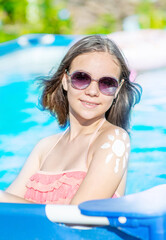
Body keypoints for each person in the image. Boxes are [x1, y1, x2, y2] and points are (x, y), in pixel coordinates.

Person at [0, 35, 142, 205]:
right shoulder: (44, 148)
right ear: (65, 81)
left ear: (117, 90)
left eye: (106, 83)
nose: (92, 91)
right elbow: (6, 208)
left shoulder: (113, 140)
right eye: (82, 78)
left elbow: (78, 216)